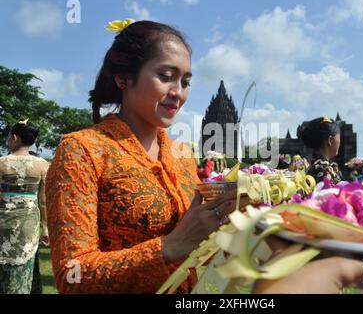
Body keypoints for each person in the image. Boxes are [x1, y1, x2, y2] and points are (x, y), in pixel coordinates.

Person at [45, 19, 244, 294]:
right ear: (123, 78)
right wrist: (170, 247)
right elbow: (72, 276)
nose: (178, 93)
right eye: (165, 76)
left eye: (185, 82)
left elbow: (199, 250)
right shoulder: (82, 150)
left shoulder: (182, 155)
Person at [0, 121, 49, 294]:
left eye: (8, 136)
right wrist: (46, 230)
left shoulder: (1, 163)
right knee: (23, 269)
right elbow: (43, 201)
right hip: (28, 226)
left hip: (2, 225)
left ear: (14, 137)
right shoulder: (43, 165)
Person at [299, 116, 342, 184]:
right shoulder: (325, 170)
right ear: (330, 140)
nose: (340, 142)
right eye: (339, 138)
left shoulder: (316, 167)